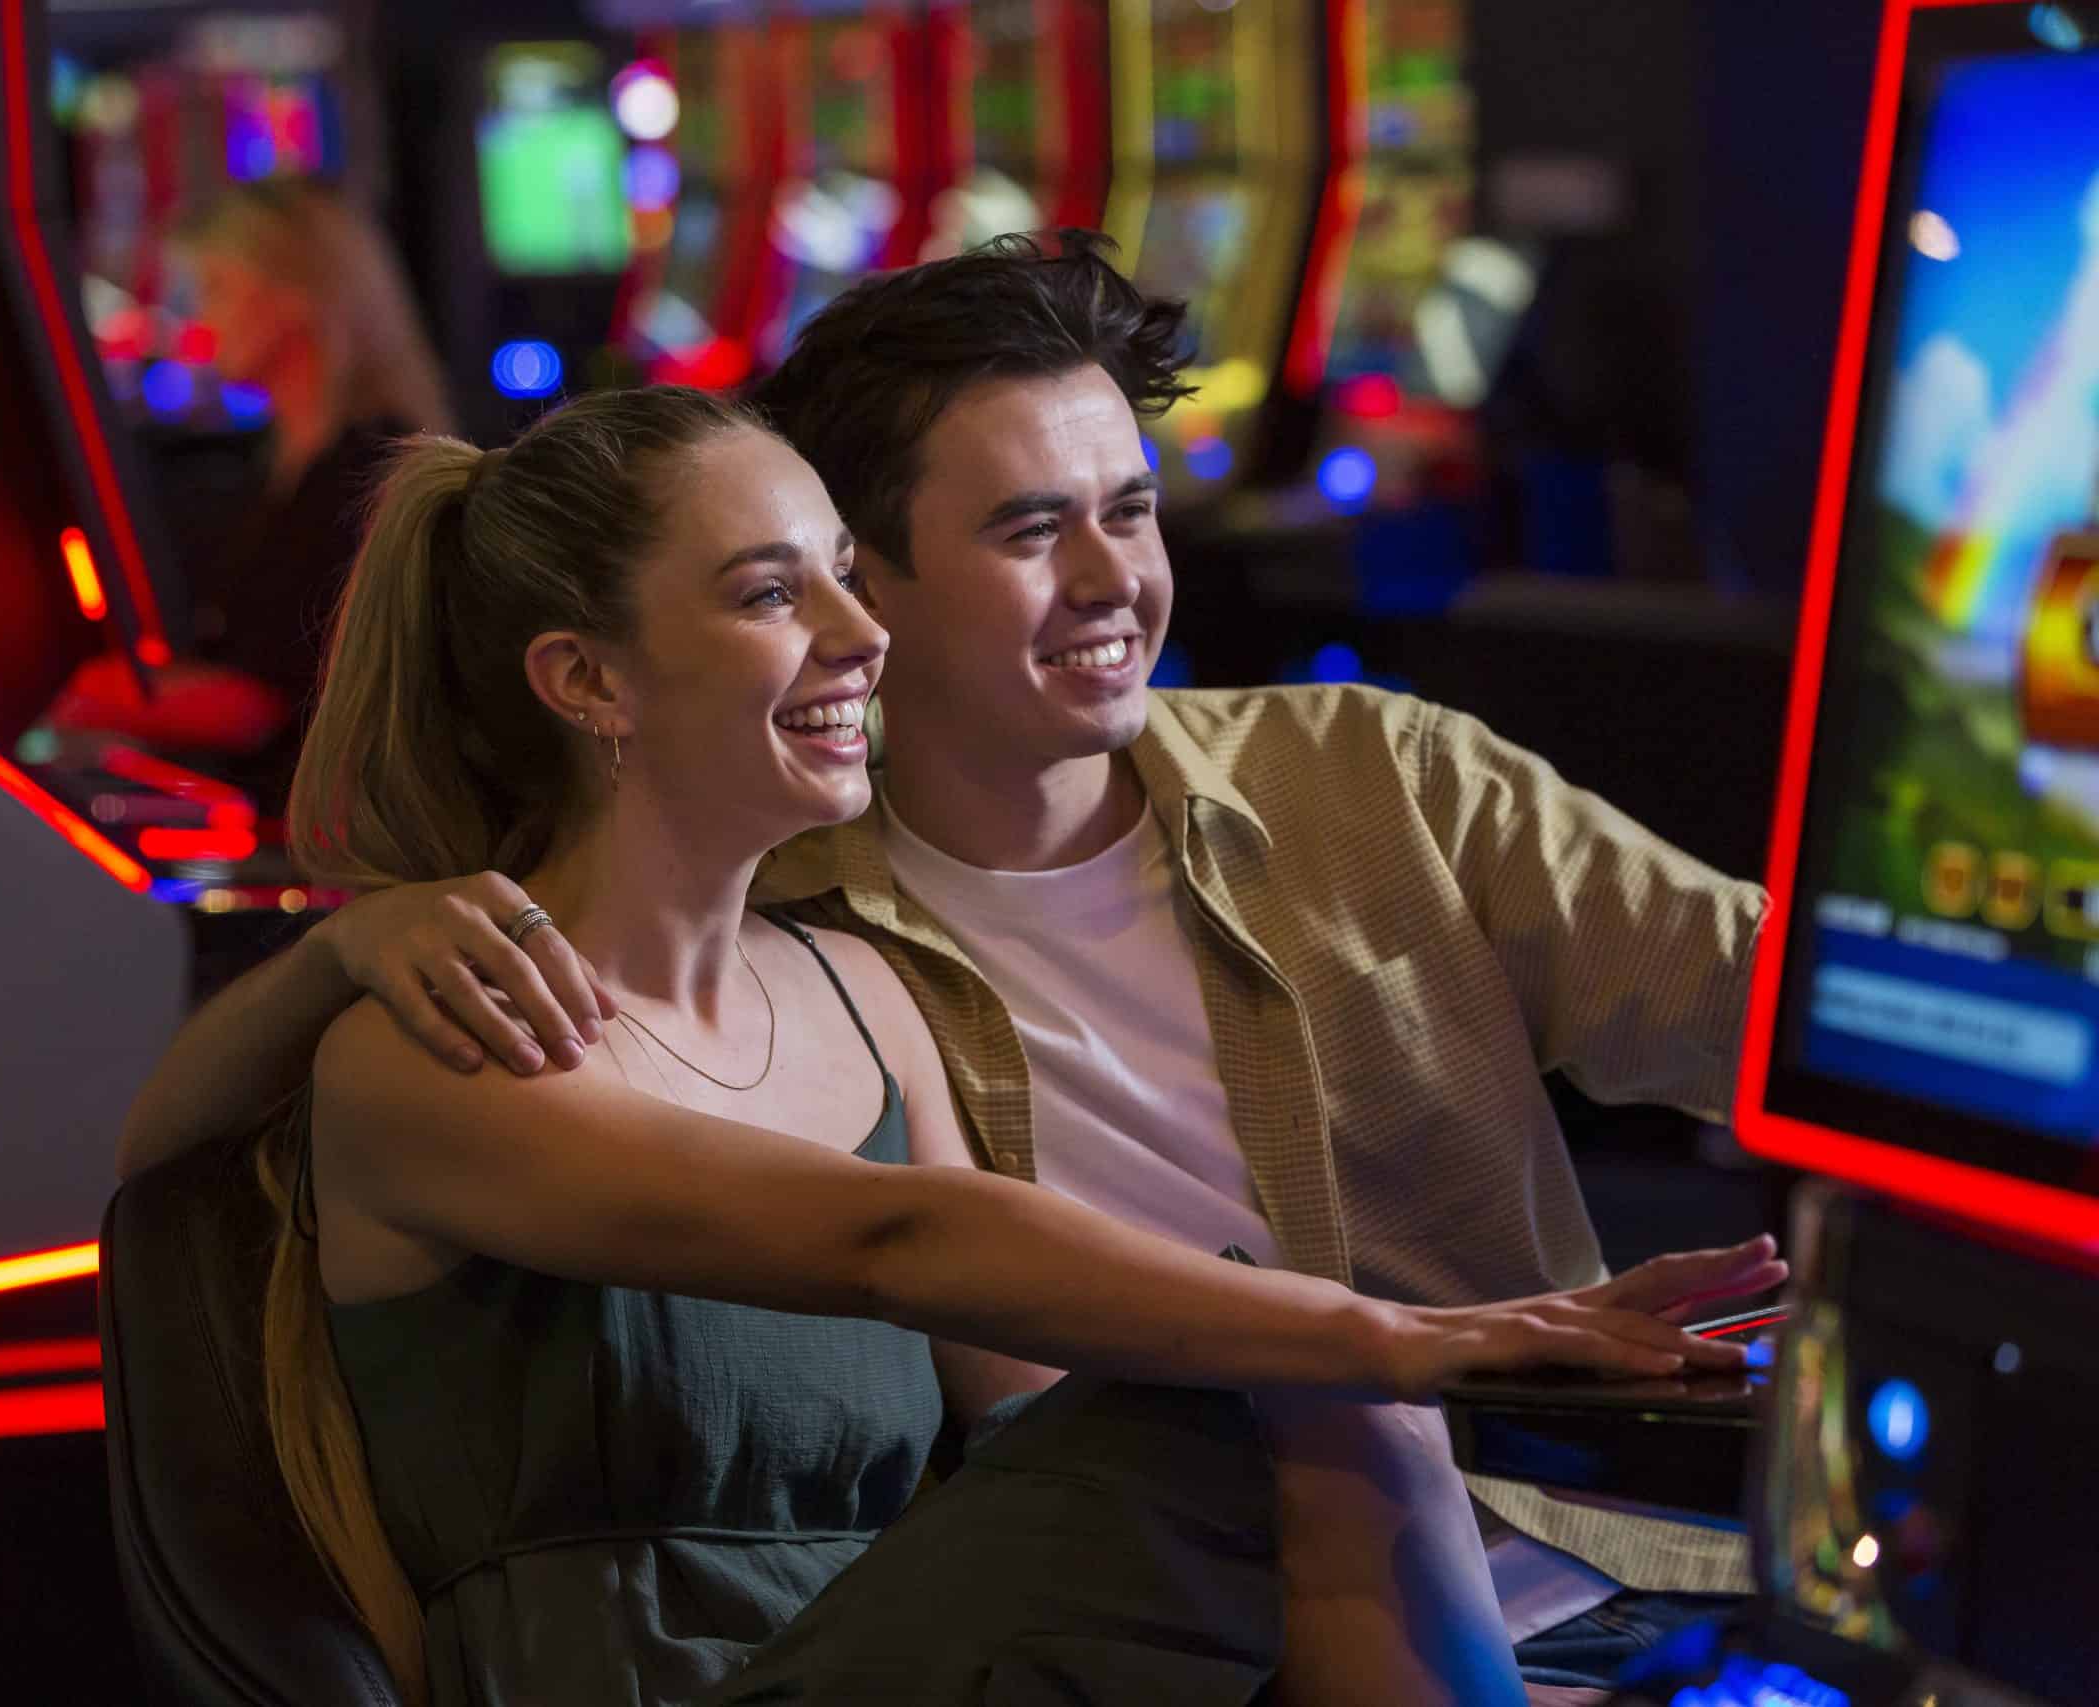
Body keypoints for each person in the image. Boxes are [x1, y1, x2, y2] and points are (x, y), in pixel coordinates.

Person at [118, 235, 1777, 1693]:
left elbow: (1033, 1422)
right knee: (1307, 1393)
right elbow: (910, 1238)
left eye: (1131, 509)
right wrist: (351, 947)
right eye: (1029, 530)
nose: (1115, 579)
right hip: (902, 1628)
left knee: (1308, 1410)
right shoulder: (625, 957)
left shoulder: (1326, 796)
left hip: (1454, 1571)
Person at [50, 179, 459, 800]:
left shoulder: (370, 464)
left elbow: (273, 703)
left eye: (216, 289)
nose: (201, 319)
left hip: (330, 844)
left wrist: (83, 697)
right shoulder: (288, 458)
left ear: (297, 298)